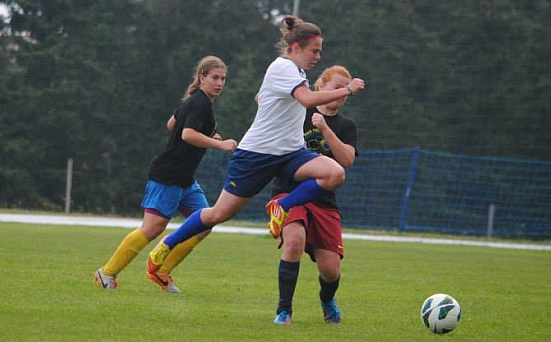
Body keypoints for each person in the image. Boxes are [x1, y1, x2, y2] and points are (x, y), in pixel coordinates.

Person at [145, 16, 365, 278]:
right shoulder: (283, 67)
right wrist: (347, 90)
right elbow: (306, 100)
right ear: (295, 47)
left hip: (290, 153)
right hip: (256, 155)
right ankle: (167, 244)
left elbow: (280, 99)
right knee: (218, 214)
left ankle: (281, 207)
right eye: (314, 51)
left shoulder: (298, 73)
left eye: (319, 51)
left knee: (335, 173)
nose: (318, 56)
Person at [93, 56, 237, 292]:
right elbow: (187, 134)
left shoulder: (197, 102)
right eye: (214, 78)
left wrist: (208, 138)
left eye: (223, 78)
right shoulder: (199, 103)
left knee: (205, 223)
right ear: (202, 78)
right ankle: (106, 273)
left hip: (186, 179)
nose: (220, 83)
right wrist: (218, 144)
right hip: (168, 176)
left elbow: (173, 124)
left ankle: (160, 271)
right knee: (151, 229)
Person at [271, 65, 358, 325]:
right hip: (289, 190)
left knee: (330, 271)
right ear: (320, 87)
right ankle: (284, 311)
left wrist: (325, 130)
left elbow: (346, 161)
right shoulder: (300, 110)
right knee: (294, 243)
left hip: (323, 199)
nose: (341, 94)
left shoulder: (346, 125)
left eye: (346, 91)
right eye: (337, 88)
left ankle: (326, 300)